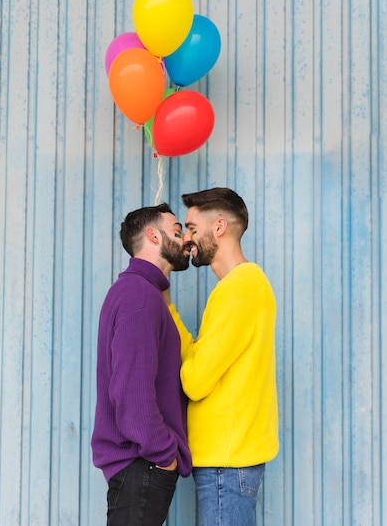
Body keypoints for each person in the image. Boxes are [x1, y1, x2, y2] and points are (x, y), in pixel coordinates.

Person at [169, 187, 279, 526]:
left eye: (191, 228)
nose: (187, 240)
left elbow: (196, 381)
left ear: (219, 227)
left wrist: (192, 368)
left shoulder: (239, 290)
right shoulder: (238, 288)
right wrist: (167, 307)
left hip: (226, 464)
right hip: (227, 461)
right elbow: (197, 357)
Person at [91, 203, 193, 526]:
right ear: (153, 235)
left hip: (141, 467)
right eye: (176, 231)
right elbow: (131, 392)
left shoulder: (141, 292)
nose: (185, 239)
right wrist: (165, 456)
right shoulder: (139, 296)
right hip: (143, 465)